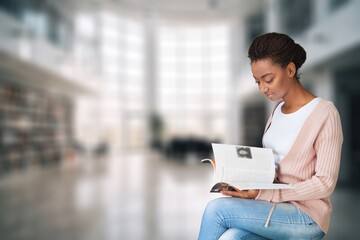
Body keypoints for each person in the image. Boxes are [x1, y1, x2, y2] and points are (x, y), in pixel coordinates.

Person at [197, 32, 343, 240]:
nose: (263, 88)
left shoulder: (325, 113)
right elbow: (273, 165)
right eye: (257, 81)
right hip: (272, 206)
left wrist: (264, 194)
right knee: (232, 238)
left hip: (306, 216)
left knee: (216, 211)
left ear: (290, 69)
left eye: (268, 79)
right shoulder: (277, 110)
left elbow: (325, 183)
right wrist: (243, 177)